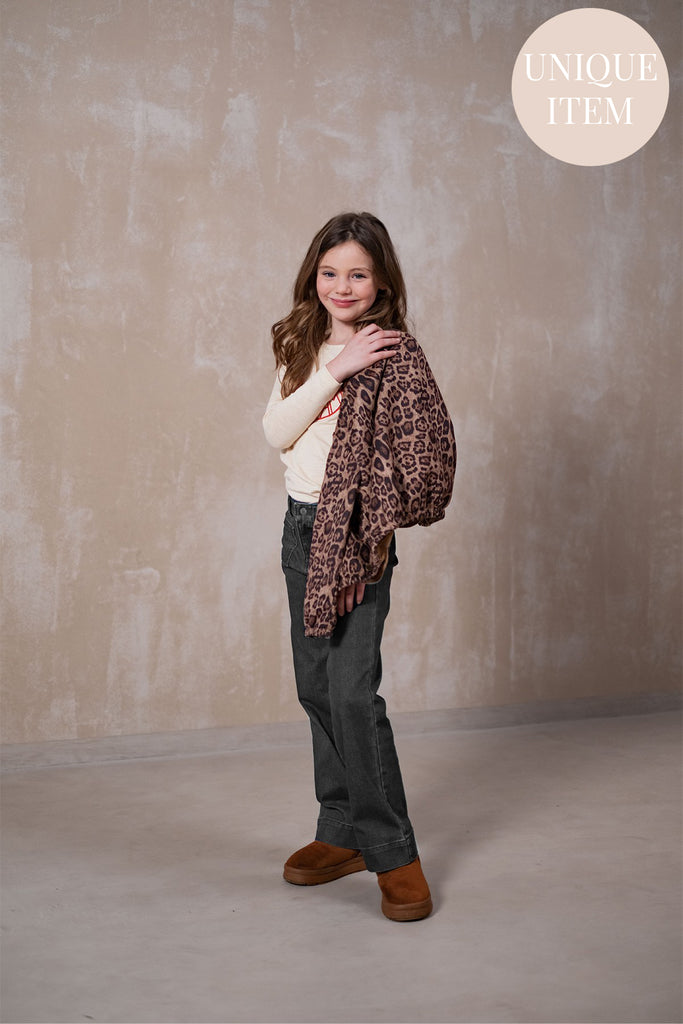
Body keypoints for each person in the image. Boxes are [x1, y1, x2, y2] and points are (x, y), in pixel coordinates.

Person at [263, 212, 455, 922]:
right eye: (330, 272)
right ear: (313, 276)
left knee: (351, 694)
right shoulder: (300, 343)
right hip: (300, 528)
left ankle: (393, 852)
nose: (342, 286)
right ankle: (340, 829)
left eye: (358, 274)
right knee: (314, 686)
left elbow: (424, 459)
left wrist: (362, 542)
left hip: (356, 534)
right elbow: (276, 431)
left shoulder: (394, 353)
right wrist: (333, 371)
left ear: (380, 284)